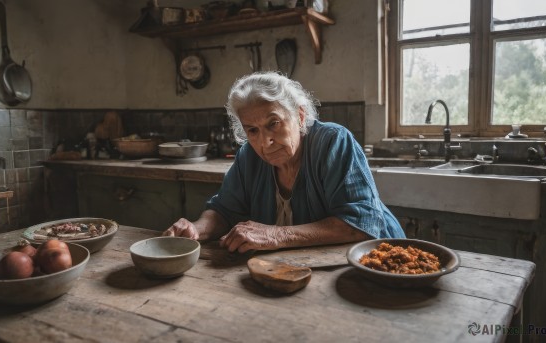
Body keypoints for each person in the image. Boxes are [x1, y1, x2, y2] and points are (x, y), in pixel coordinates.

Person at [163, 72, 405, 252]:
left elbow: (359, 224)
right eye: (252, 130)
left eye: (273, 123)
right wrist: (197, 229)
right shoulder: (249, 156)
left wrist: (277, 234)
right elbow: (225, 210)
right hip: (304, 268)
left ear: (299, 117)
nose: (265, 141)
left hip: (380, 259)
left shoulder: (333, 141)